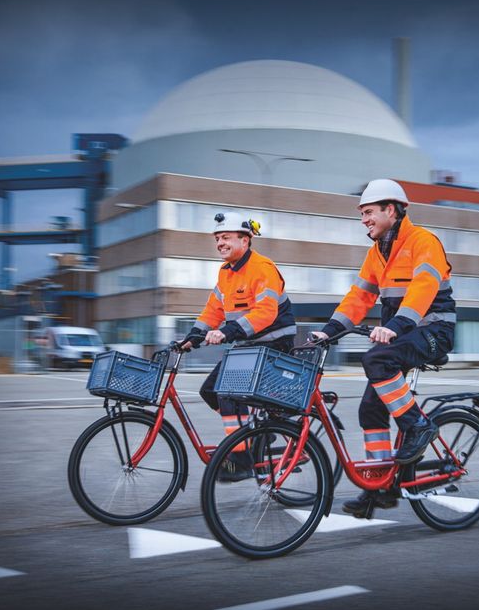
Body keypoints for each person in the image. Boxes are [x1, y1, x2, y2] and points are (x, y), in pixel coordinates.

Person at [311, 178, 456, 517]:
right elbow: (359, 297)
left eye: (369, 212)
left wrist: (393, 327)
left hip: (433, 330)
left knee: (376, 358)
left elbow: (422, 288)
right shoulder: (377, 251)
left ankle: (418, 425)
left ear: (391, 210)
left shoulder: (424, 241)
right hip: (401, 335)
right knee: (370, 409)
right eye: (361, 214)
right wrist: (328, 332)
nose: (364, 219)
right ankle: (381, 487)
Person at [181, 211, 297, 481]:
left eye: (226, 237)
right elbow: (213, 311)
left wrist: (227, 332)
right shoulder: (226, 273)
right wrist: (192, 336)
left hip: (274, 343)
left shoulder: (262, 268)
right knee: (210, 390)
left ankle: (242, 457)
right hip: (248, 346)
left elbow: (266, 313)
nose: (220, 243)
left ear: (245, 240)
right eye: (218, 238)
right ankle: (254, 431)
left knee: (227, 392)